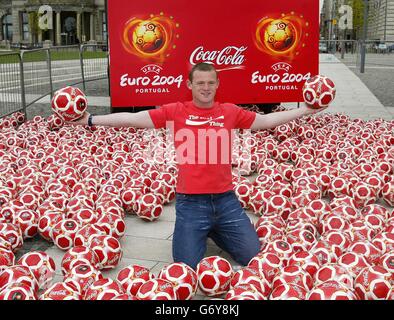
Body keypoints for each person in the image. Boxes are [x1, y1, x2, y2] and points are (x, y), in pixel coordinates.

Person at [70, 62, 327, 269]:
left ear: (217, 84)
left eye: (210, 83)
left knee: (252, 256)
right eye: (200, 83)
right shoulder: (176, 111)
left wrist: (305, 110)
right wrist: (91, 119)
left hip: (226, 201)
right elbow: (133, 118)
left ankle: (215, 230)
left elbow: (267, 120)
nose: (205, 88)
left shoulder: (229, 111)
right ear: (190, 85)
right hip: (191, 203)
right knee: (185, 266)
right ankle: (202, 230)